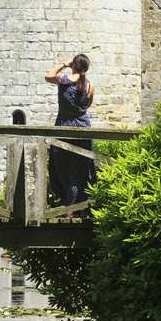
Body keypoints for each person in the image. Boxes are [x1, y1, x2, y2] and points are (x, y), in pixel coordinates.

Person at [44, 53, 96, 206]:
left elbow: (48, 76)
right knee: (81, 166)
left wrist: (64, 64)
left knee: (60, 165)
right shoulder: (89, 85)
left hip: (64, 126)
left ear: (74, 65)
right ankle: (77, 203)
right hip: (83, 127)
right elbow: (87, 105)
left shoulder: (64, 80)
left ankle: (68, 203)